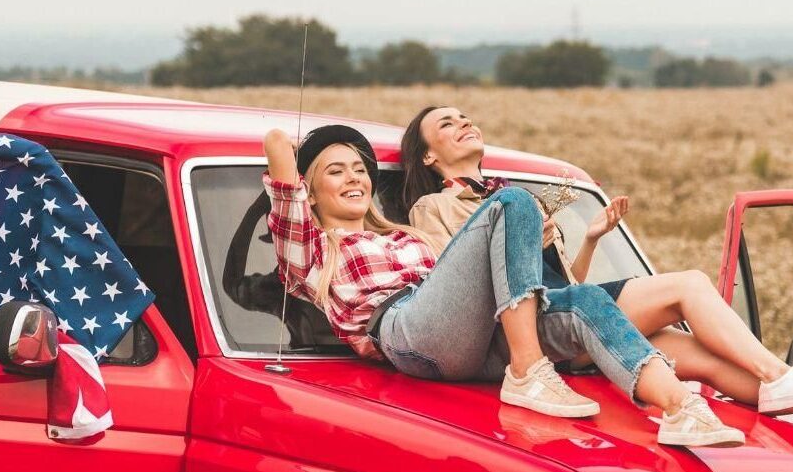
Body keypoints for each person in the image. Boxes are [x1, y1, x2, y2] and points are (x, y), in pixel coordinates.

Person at [399, 105, 793, 434]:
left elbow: (569, 288)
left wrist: (590, 238)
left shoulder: (516, 195)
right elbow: (456, 292)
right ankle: (786, 378)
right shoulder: (433, 208)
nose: (464, 123)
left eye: (465, 117)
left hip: (568, 315)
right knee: (688, 285)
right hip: (527, 336)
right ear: (426, 157)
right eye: (447, 124)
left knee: (700, 357)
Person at [262, 123, 750, 447]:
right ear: (310, 191)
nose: (354, 178)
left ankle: (680, 407)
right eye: (336, 171)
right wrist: (303, 152)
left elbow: (468, 289)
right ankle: (528, 370)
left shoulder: (408, 237)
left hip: (473, 335)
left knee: (585, 299)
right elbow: (278, 151)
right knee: (513, 201)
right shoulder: (312, 251)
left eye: (360, 170)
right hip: (405, 330)